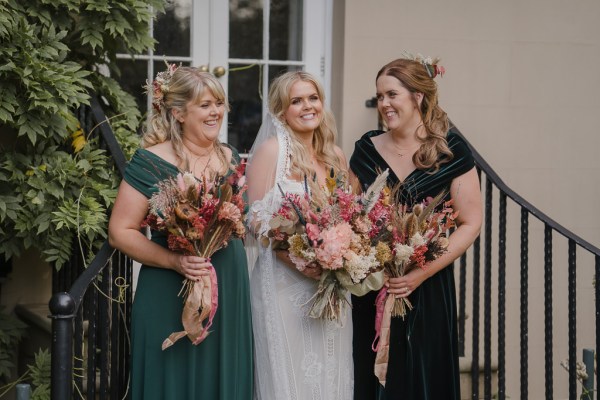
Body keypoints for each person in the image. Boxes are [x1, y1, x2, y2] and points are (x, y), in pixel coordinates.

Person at [108, 65, 253, 400]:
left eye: (219, 103)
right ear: (178, 113)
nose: (216, 111)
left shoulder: (229, 156)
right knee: (171, 378)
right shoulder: (150, 161)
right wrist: (174, 261)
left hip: (227, 285)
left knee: (222, 376)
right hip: (169, 288)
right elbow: (120, 232)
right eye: (205, 105)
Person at [349, 56, 482, 399]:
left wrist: (419, 274)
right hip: (372, 287)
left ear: (417, 96)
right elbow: (349, 217)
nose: (384, 104)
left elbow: (471, 222)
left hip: (426, 288)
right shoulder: (366, 150)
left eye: (392, 94)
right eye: (379, 96)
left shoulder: (451, 151)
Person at [245, 71, 353, 400]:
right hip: (284, 286)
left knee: (332, 373)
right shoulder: (272, 152)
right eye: (296, 101)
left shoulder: (335, 155)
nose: (307, 106)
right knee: (290, 379)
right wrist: (304, 263)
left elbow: (350, 217)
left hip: (333, 288)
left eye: (313, 98)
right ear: (281, 111)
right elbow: (257, 222)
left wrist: (345, 259)